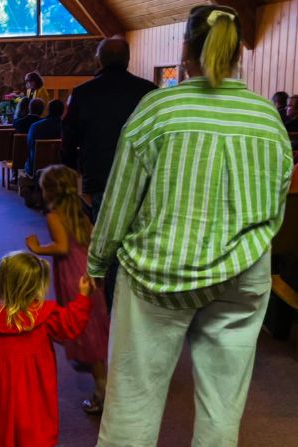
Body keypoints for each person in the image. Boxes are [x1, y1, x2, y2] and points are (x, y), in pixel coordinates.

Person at [88, 6, 294, 446]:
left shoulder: (160, 108)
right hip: (244, 271)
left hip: (160, 272)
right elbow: (276, 206)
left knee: (134, 399)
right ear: (238, 51)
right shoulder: (267, 117)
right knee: (223, 405)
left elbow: (120, 198)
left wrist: (98, 261)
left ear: (184, 50)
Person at [60, 37, 157, 313]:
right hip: (144, 181)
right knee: (141, 243)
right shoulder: (149, 92)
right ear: (127, 61)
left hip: (102, 178)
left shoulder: (82, 93)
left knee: (109, 245)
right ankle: (143, 307)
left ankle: (117, 312)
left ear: (98, 60)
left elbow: (68, 136)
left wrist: (71, 169)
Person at [0, 251, 92, 447]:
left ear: (1, 282)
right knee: (36, 435)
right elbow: (71, 324)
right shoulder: (46, 315)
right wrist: (83, 296)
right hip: (35, 396)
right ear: (38, 286)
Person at [25, 165, 109, 414]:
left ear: (49, 191)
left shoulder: (54, 215)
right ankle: (95, 365)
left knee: (79, 322)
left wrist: (37, 248)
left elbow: (61, 247)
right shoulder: (79, 208)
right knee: (92, 320)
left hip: (71, 272)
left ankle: (100, 387)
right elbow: (92, 236)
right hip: (85, 267)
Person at [24, 99, 64, 176]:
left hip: (36, 168)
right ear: (62, 112)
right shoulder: (66, 127)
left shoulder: (35, 126)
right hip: (60, 167)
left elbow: (29, 146)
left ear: (48, 110)